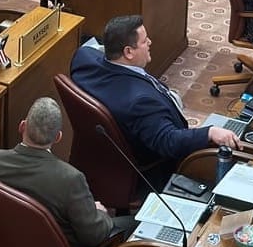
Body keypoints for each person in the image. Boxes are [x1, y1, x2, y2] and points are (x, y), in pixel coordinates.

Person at [70, 15, 237, 186]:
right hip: (160, 166)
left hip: (98, 156)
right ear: (128, 52)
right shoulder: (141, 101)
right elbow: (168, 141)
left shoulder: (83, 57)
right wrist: (208, 133)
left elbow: (88, 51)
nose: (150, 42)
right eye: (144, 41)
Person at [0, 97, 134, 247]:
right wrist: (100, 213)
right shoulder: (70, 179)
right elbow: (94, 236)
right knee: (134, 223)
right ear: (58, 137)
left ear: (22, 126)